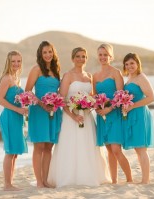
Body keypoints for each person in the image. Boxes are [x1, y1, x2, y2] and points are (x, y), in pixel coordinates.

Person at [47, 47, 111, 187]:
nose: (80, 59)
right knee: (71, 147)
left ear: (86, 59)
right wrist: (73, 116)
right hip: (71, 118)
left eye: (83, 56)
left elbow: (92, 97)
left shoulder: (89, 76)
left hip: (87, 118)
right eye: (78, 56)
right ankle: (69, 178)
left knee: (87, 146)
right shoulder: (68, 75)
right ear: (72, 58)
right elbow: (62, 100)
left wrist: (92, 105)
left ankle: (89, 176)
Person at [93, 43, 133, 184]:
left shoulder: (116, 72)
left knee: (116, 149)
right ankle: (114, 181)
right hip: (101, 116)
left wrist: (108, 109)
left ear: (111, 57)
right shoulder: (95, 76)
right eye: (100, 55)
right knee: (109, 149)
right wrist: (97, 107)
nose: (103, 57)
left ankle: (129, 179)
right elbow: (94, 96)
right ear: (98, 56)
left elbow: (120, 96)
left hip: (114, 114)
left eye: (106, 55)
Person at [25, 41, 62, 188]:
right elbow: (27, 91)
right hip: (39, 111)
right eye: (45, 52)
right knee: (39, 146)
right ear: (40, 54)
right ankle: (39, 182)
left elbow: (58, 92)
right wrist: (42, 104)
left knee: (48, 147)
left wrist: (56, 103)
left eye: (50, 52)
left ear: (54, 53)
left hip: (54, 112)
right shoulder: (36, 69)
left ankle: (45, 180)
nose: (48, 55)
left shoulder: (56, 70)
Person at [0, 50, 28, 191]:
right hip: (9, 117)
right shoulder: (7, 78)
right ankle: (7, 185)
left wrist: (24, 106)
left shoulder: (16, 78)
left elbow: (15, 100)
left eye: (18, 61)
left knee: (14, 152)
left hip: (17, 117)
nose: (16, 64)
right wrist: (17, 110)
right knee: (10, 151)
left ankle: (10, 183)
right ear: (8, 62)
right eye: (13, 61)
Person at [122, 53, 154, 184]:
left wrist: (132, 106)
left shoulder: (141, 77)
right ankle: (144, 178)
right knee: (138, 149)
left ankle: (145, 180)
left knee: (141, 149)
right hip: (132, 114)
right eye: (127, 64)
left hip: (140, 114)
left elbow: (151, 97)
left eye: (132, 63)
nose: (129, 66)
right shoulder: (129, 77)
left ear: (137, 64)